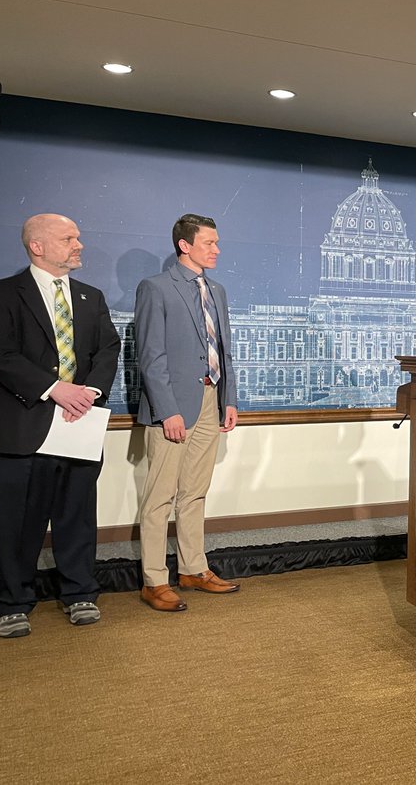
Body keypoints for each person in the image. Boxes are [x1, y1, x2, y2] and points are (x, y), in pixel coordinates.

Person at [0, 213, 120, 637]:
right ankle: (13, 601)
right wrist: (56, 389)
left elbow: (108, 348)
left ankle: (79, 594)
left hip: (81, 423)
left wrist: (89, 392)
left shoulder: (91, 297)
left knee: (77, 515)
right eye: (69, 238)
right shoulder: (0, 295)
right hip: (25, 424)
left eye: (78, 237)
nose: (80, 244)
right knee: (20, 520)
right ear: (37, 246)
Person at [135, 213, 240, 611]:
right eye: (209, 243)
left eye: (216, 243)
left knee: (195, 494)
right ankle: (153, 580)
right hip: (174, 409)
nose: (216, 249)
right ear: (185, 245)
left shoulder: (218, 290)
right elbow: (151, 356)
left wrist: (229, 399)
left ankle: (193, 568)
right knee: (160, 498)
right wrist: (167, 411)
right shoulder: (156, 288)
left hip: (211, 403)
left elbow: (224, 351)